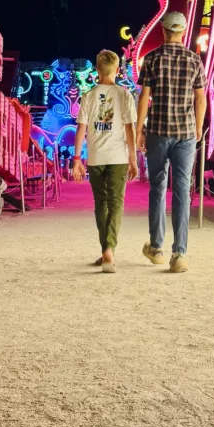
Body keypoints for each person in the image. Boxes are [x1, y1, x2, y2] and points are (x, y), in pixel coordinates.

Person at [136, 11, 207, 273]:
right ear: (184, 32)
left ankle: (156, 248)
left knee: (157, 187)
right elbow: (201, 99)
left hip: (157, 131)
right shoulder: (194, 61)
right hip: (186, 134)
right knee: (182, 191)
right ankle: (180, 254)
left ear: (164, 31)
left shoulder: (152, 59)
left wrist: (138, 129)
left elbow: (144, 97)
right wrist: (197, 128)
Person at [73, 49, 137, 273]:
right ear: (117, 70)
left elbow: (81, 129)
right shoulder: (124, 95)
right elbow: (129, 129)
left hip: (96, 156)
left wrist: (77, 159)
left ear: (97, 71)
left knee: (101, 202)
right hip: (118, 156)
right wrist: (133, 158)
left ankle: (106, 250)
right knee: (116, 202)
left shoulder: (89, 96)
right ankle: (110, 250)